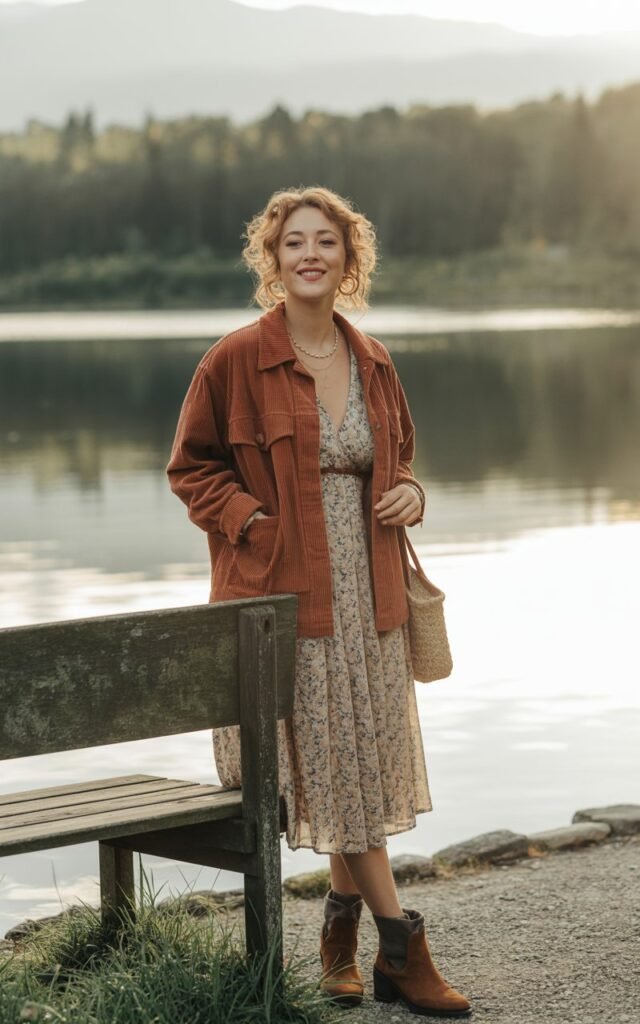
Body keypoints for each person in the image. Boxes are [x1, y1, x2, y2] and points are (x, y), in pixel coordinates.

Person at [166, 185, 471, 1017]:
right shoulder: (233, 359)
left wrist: (409, 492)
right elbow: (190, 470)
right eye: (293, 241)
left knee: (356, 775)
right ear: (273, 260)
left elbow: (398, 460)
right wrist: (252, 521)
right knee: (340, 776)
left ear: (348, 259)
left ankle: (338, 942)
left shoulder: (373, 359)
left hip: (370, 601)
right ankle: (401, 946)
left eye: (326, 242)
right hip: (282, 602)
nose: (310, 253)